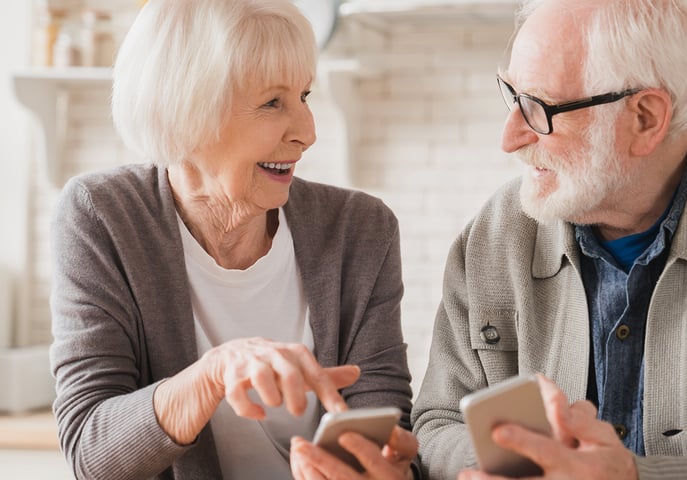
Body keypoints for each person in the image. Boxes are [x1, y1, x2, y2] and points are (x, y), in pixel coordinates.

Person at [411, 0, 687, 478]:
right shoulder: (493, 236)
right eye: (511, 95)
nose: (509, 137)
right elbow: (437, 422)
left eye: (540, 108)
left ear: (645, 118)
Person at [48, 1, 418, 479]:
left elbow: (386, 424)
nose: (307, 133)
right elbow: (92, 454)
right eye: (272, 102)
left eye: (305, 95)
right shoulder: (102, 217)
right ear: (185, 110)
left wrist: (388, 467)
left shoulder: (360, 229)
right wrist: (213, 373)